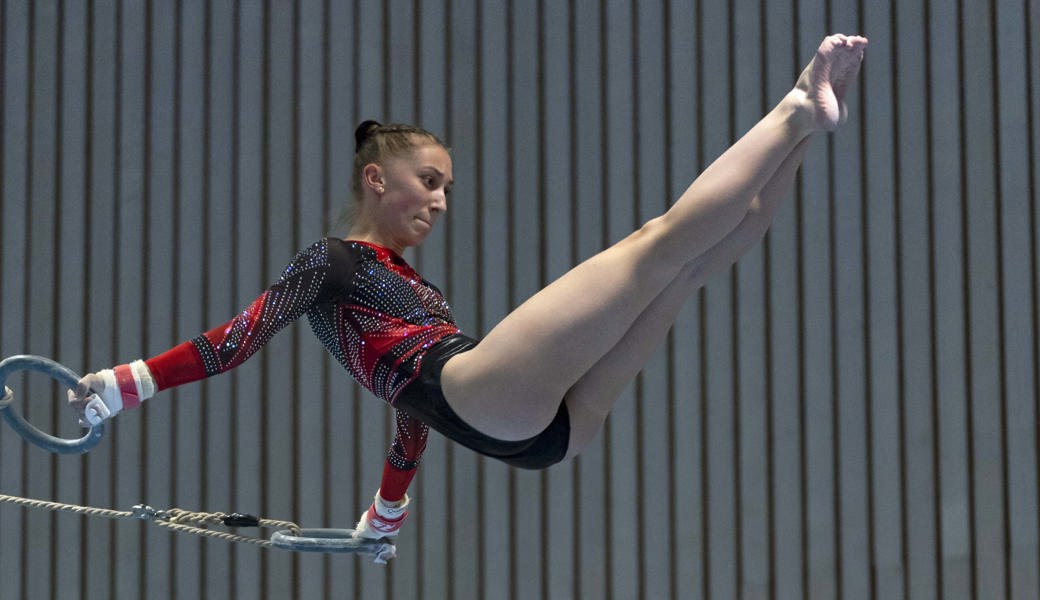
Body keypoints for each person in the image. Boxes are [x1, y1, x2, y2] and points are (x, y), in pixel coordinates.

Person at [69, 34, 868, 540]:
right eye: (430, 182)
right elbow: (233, 342)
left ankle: (802, 131)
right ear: (377, 180)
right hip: (498, 406)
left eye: (448, 188)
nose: (442, 202)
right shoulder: (332, 264)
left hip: (533, 432)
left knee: (687, 267)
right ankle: (794, 109)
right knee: (655, 247)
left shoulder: (412, 294)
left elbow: (409, 418)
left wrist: (385, 515)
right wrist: (120, 385)